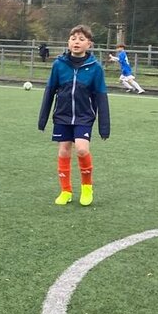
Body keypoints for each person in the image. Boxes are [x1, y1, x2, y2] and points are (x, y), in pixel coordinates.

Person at [37, 24, 110, 207]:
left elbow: (101, 97)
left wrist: (104, 126)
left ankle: (87, 188)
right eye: (73, 38)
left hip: (84, 116)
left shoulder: (95, 68)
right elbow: (49, 91)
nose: (76, 42)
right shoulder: (59, 65)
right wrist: (42, 119)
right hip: (62, 115)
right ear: (68, 42)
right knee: (63, 150)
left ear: (89, 44)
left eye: (81, 39)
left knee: (82, 149)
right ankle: (66, 191)